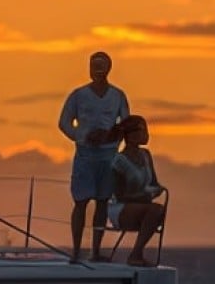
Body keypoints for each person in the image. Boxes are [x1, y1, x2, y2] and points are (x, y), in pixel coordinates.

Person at [58, 51, 128, 261]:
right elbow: (64, 123)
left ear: (109, 68)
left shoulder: (118, 96)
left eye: (101, 66)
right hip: (85, 156)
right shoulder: (78, 95)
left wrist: (109, 137)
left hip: (108, 156)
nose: (97, 70)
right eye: (93, 65)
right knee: (80, 201)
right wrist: (83, 136)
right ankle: (76, 251)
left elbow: (126, 124)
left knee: (103, 202)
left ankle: (95, 251)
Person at [108, 116, 166, 266]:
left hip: (142, 205)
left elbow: (154, 183)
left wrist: (155, 191)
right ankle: (136, 254)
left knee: (158, 210)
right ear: (131, 135)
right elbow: (120, 195)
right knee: (155, 210)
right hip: (121, 208)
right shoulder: (119, 161)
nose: (146, 134)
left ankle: (137, 253)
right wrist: (144, 196)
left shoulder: (146, 155)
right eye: (142, 130)